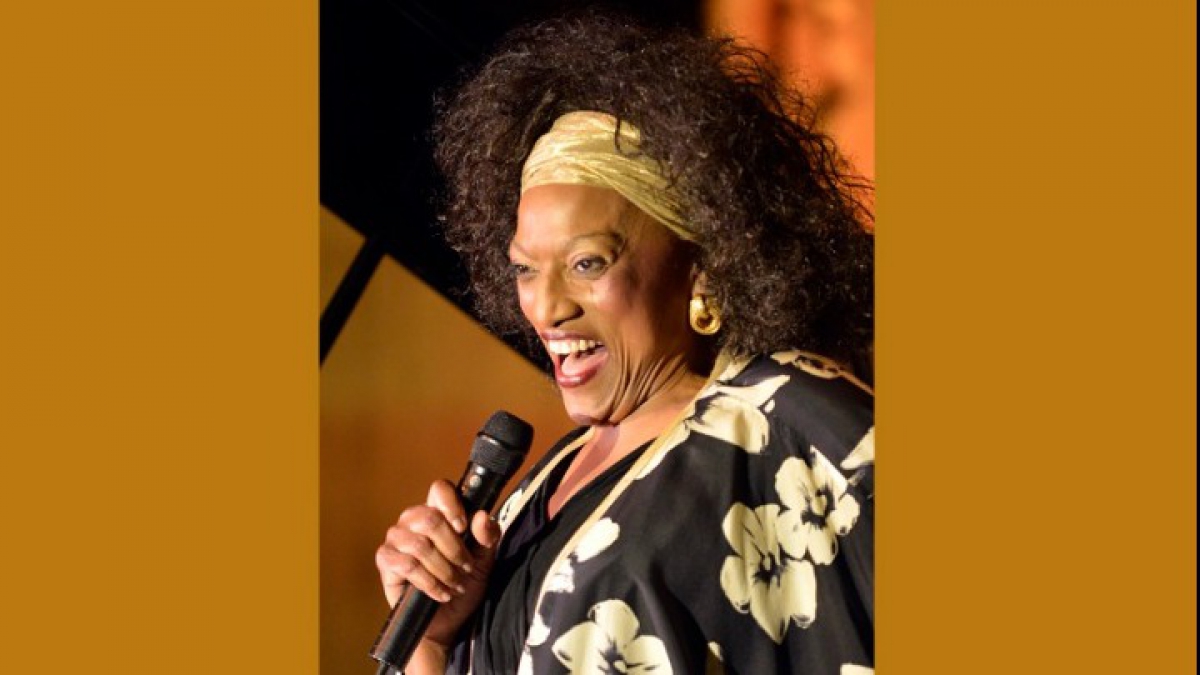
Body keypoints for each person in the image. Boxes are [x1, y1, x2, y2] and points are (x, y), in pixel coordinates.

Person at [375, 11, 874, 675]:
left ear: (704, 264)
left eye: (588, 263)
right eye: (525, 268)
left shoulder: (785, 417)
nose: (546, 307)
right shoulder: (544, 482)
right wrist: (436, 640)